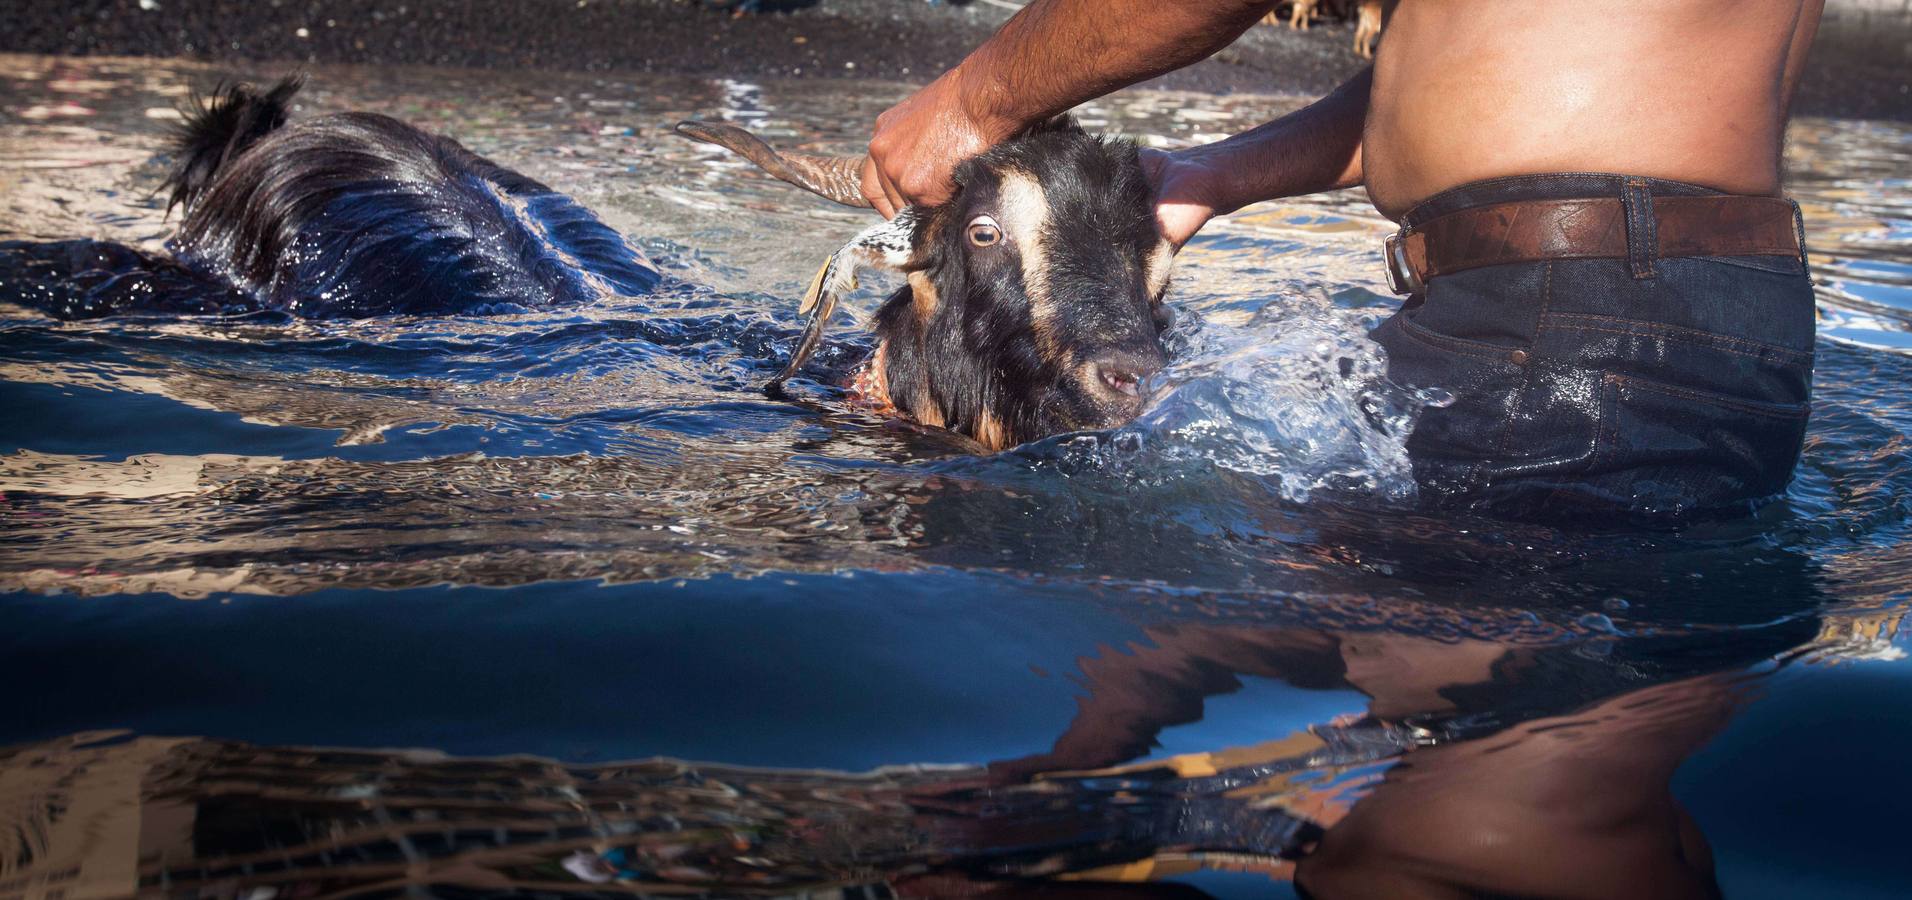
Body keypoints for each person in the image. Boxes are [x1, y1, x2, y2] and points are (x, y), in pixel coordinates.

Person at [861, 0, 1825, 517]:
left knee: (1235, 603)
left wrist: (972, 101)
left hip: (1561, 312)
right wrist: (1217, 175)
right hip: (1736, 316)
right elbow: (1461, 77)